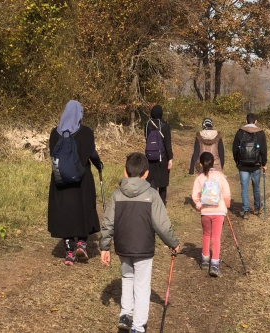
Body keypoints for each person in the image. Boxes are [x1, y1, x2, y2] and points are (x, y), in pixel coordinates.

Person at [99, 152, 180, 333]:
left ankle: (125, 314)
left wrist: (104, 246)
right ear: (146, 173)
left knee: (127, 278)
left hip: (123, 247)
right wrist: (173, 242)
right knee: (142, 285)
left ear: (125, 172)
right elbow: (161, 224)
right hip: (143, 248)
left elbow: (108, 222)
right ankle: (138, 325)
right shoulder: (152, 194)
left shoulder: (117, 195)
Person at [48, 100, 103, 266]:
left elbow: (52, 154)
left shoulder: (54, 133)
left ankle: (69, 252)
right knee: (84, 208)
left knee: (65, 212)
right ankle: (82, 244)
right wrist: (99, 164)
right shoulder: (86, 132)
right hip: (82, 178)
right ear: (79, 114)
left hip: (60, 179)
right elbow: (90, 153)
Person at [191, 152, 231, 277]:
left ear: (201, 164)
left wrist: (199, 206)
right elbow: (226, 194)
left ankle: (204, 260)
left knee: (206, 235)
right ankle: (214, 264)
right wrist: (226, 205)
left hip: (205, 212)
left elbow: (195, 195)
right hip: (219, 211)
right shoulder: (220, 177)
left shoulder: (200, 178)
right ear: (213, 162)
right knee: (216, 237)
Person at [232, 113, 268, 219]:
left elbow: (235, 149)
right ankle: (257, 207)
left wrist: (237, 161)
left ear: (246, 121)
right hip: (256, 164)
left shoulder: (240, 132)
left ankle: (246, 210)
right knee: (256, 187)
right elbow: (263, 150)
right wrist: (264, 163)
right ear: (255, 121)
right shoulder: (260, 133)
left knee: (244, 187)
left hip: (242, 164)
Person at [145, 105, 173, 206]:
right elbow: (167, 144)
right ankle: (161, 203)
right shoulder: (165, 125)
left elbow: (146, 140)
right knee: (162, 180)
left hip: (150, 156)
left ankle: (151, 202)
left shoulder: (147, 124)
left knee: (151, 179)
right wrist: (170, 158)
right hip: (163, 157)